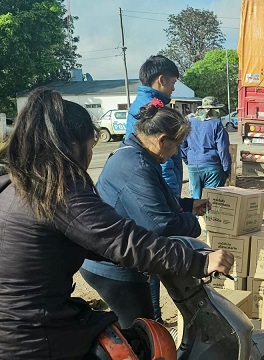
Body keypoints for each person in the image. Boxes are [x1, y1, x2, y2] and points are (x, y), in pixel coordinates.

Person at [0, 89, 234, 359]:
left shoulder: (16, 182)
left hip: (19, 325)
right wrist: (200, 261)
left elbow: (98, 240)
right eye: (89, 148)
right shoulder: (57, 189)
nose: (88, 158)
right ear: (71, 147)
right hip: (35, 337)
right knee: (146, 345)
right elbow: (122, 239)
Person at [80, 99, 211, 328]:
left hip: (119, 255)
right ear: (162, 141)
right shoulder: (136, 165)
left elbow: (148, 202)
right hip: (113, 265)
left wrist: (188, 205)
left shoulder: (137, 155)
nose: (176, 152)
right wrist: (195, 223)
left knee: (138, 326)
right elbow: (161, 226)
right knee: (142, 331)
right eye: (176, 145)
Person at [125, 55, 183, 199]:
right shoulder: (154, 110)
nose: (174, 88)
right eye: (173, 82)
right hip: (160, 185)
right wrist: (173, 198)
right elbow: (163, 158)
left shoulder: (140, 104)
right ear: (162, 80)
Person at [181, 96, 232, 198]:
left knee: (195, 200)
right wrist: (227, 169)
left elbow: (182, 144)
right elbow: (223, 149)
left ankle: (195, 214)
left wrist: (188, 160)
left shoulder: (190, 123)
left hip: (193, 166)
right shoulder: (216, 124)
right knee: (210, 200)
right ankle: (206, 214)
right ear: (212, 111)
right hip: (212, 167)